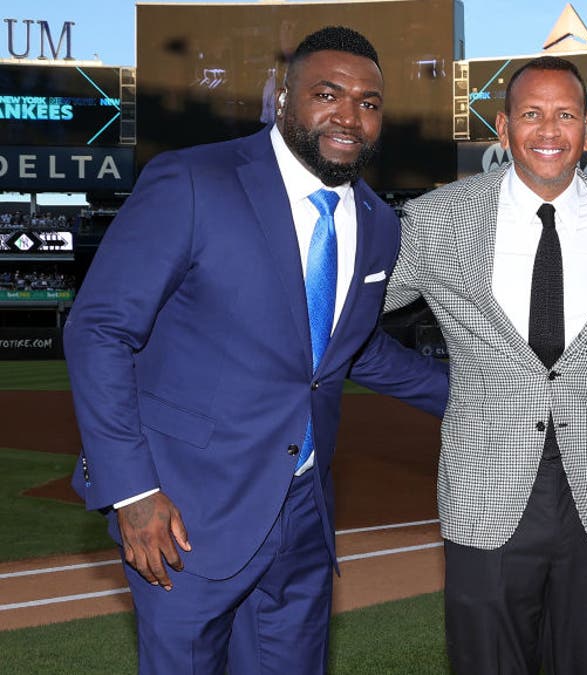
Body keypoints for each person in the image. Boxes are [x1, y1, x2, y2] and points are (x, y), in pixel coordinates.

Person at [64, 26, 449, 673]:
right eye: (328, 94)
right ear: (283, 100)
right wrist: (132, 493)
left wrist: (480, 394)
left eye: (369, 102)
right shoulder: (193, 180)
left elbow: (347, 350)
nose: (349, 115)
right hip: (183, 513)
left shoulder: (379, 225)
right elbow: (99, 328)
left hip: (303, 514)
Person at [382, 56, 587, 673]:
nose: (548, 130)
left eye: (565, 114)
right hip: (484, 489)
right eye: (531, 114)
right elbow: (348, 316)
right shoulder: (437, 220)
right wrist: (440, 384)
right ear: (502, 128)